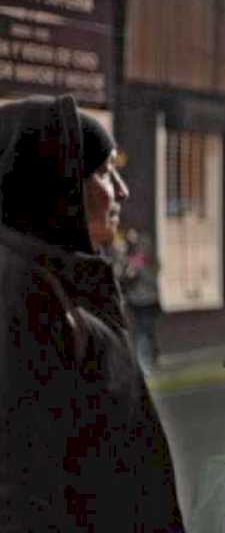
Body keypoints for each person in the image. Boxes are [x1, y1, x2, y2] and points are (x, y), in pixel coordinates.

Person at [0, 95, 184, 531]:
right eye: (102, 173)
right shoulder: (21, 291)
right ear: (54, 185)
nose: (122, 190)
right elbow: (18, 487)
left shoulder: (63, 280)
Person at [114, 227, 162, 371]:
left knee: (146, 330)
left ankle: (148, 360)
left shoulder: (149, 261)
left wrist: (138, 267)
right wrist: (127, 268)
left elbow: (152, 278)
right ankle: (147, 361)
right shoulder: (128, 258)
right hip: (135, 300)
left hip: (149, 300)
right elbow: (120, 276)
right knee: (143, 331)